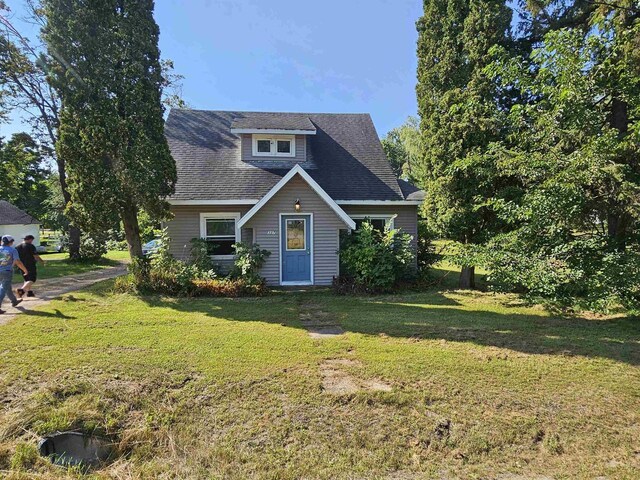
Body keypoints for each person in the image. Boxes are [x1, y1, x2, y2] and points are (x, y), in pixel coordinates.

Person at [0, 235, 27, 314]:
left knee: (7, 287)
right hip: (7, 271)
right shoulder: (12, 250)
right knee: (3, 289)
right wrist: (25, 270)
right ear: (10, 242)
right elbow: (18, 262)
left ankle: (14, 301)